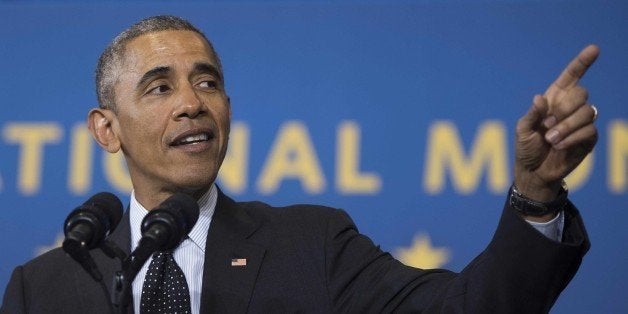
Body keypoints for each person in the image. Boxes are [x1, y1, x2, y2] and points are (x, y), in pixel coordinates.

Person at [1, 15, 598, 313]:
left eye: (207, 82)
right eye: (159, 88)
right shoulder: (45, 286)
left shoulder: (312, 243)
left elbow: (471, 308)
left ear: (227, 110)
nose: (192, 104)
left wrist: (535, 192)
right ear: (107, 130)